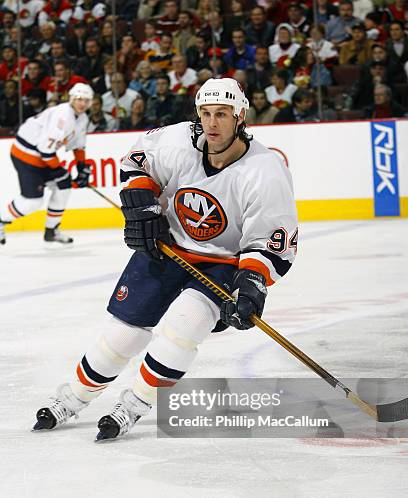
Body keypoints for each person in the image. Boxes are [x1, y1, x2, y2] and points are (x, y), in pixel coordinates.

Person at [32, 77, 298, 441]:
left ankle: (134, 404)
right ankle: (73, 398)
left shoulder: (265, 171)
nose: (212, 123)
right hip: (167, 247)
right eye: (206, 113)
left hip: (222, 264)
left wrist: (252, 282)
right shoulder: (176, 141)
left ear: (241, 116)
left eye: (222, 113)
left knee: (183, 329)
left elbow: (269, 238)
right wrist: (143, 203)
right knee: (122, 335)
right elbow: (137, 163)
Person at [0, 83, 94, 246]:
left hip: (41, 155)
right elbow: (45, 150)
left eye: (86, 100)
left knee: (63, 185)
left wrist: (82, 168)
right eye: (79, 99)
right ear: (71, 99)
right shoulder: (63, 116)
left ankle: (51, 231)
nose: (82, 103)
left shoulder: (82, 118)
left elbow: (78, 145)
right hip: (26, 156)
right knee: (32, 201)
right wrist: (58, 169)